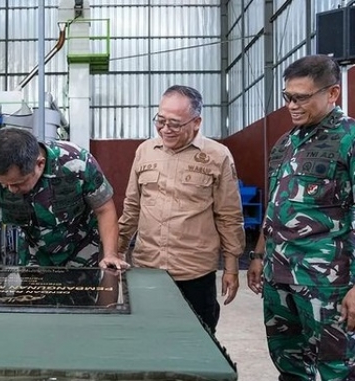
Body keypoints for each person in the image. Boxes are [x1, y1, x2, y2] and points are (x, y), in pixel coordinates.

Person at [247, 54, 355, 380]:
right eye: (287, 97)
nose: (291, 105)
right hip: (279, 278)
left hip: (327, 284)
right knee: (289, 364)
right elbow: (276, 206)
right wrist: (258, 255)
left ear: (332, 93)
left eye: (301, 98)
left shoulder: (348, 139)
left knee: (335, 370)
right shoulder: (285, 144)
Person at [118, 85, 245, 334]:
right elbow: (132, 207)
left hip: (195, 272)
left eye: (175, 123)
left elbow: (229, 216)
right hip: (148, 268)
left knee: (198, 336)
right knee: (149, 334)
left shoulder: (217, 155)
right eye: (160, 120)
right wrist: (117, 250)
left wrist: (231, 267)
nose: (165, 129)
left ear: (196, 122)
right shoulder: (145, 151)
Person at [0, 127, 128, 273]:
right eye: (4, 184)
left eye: (18, 183)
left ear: (39, 164)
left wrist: (111, 255)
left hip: (80, 250)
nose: (11, 189)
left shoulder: (77, 162)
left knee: (83, 304)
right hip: (31, 256)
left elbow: (104, 210)